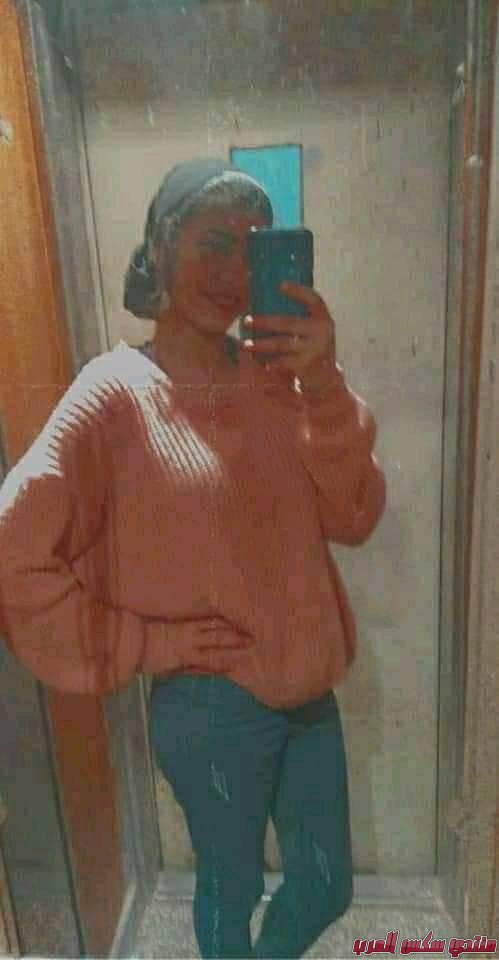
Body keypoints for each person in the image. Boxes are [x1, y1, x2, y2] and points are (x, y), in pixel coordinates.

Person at [0, 158, 386, 958]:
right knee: (230, 887)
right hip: (209, 706)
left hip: (308, 687)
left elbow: (352, 516)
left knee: (324, 884)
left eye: (254, 249)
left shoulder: (277, 379)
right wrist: (143, 642)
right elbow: (15, 553)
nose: (232, 272)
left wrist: (322, 383)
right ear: (160, 247)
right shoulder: (114, 393)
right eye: (213, 243)